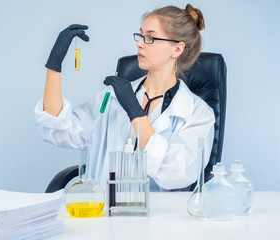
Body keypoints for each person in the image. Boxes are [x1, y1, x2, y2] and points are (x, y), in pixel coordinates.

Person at [35, 4, 215, 191]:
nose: (139, 43)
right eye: (140, 35)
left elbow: (177, 173)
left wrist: (135, 112)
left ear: (177, 49)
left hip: (156, 215)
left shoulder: (197, 113)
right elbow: (58, 129)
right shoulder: (112, 96)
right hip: (103, 209)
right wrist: (54, 66)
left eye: (150, 38)